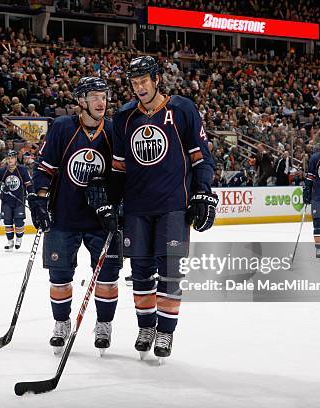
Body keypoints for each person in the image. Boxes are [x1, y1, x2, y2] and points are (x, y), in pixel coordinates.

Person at [110, 56, 217, 360]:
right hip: (137, 207)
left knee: (170, 271)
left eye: (144, 80)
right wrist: (111, 203)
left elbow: (201, 158)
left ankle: (165, 332)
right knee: (141, 271)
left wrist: (202, 192)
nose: (139, 87)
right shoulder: (124, 118)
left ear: (157, 79)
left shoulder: (182, 110)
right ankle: (146, 327)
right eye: (133, 82)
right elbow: (118, 169)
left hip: (174, 204)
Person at [29, 77, 121, 355]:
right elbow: (44, 169)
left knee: (107, 275)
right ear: (81, 101)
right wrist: (39, 200)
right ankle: (61, 323)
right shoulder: (62, 128)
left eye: (103, 96)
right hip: (64, 217)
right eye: (94, 96)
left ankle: (104, 324)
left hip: (100, 219)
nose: (101, 102)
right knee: (59, 276)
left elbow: (121, 174)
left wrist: (113, 201)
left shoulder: (114, 131)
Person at [0, 150, 33, 251]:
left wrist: (31, 194)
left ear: (16, 159)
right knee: (7, 221)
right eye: (8, 158)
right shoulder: (1, 170)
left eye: (12, 158)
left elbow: (28, 184)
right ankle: (10, 241)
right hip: (6, 201)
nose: (10, 160)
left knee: (19, 221)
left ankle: (19, 238)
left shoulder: (22, 170)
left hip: (19, 200)